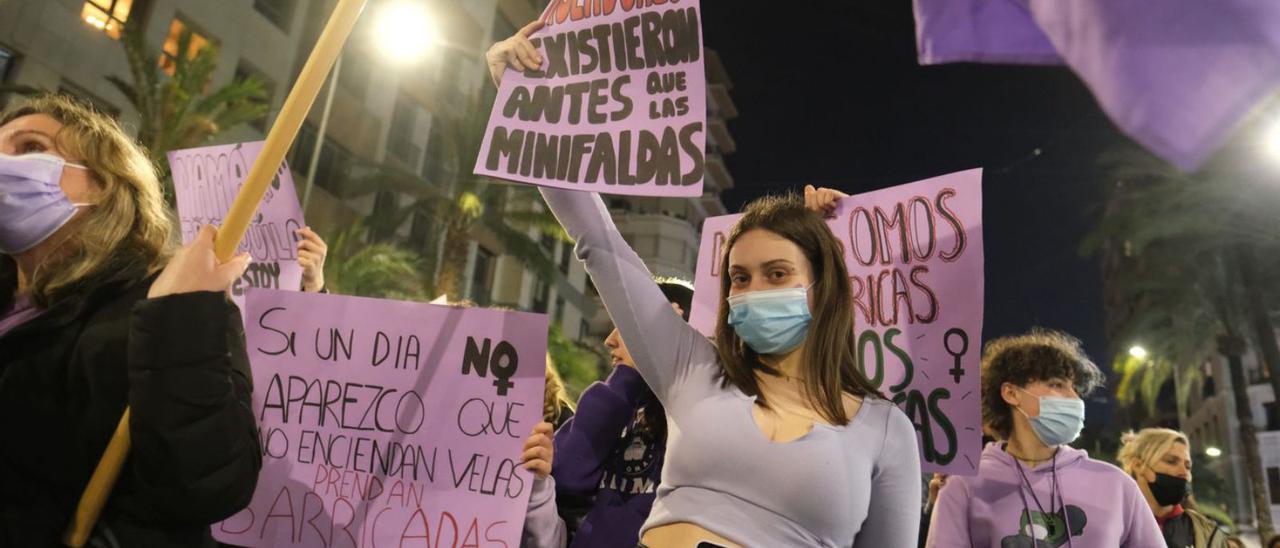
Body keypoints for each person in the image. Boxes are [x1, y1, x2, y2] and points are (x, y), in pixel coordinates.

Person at [490, 33, 922, 544]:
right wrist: (522, 101)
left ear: (823, 288)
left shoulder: (887, 429)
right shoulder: (692, 368)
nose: (754, 290)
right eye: (740, 277)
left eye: (777, 274)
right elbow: (599, 242)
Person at [0, 94, 260, 545]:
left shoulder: (155, 310)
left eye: (29, 148)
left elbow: (209, 483)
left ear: (102, 183)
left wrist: (182, 321)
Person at [926, 329, 1164, 547]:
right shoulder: (964, 487)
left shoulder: (1117, 485)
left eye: (1075, 389)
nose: (1074, 398)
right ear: (1011, 393)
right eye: (1056, 384)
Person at [553, 279, 694, 547]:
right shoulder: (618, 402)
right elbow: (566, 481)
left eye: (628, 326)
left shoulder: (698, 417)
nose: (610, 340)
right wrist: (627, 380)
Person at [1119, 428, 1233, 547]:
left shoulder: (1207, 534)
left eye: (1188, 466)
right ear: (1138, 465)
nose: (1184, 472)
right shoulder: (1113, 526)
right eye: (1171, 461)